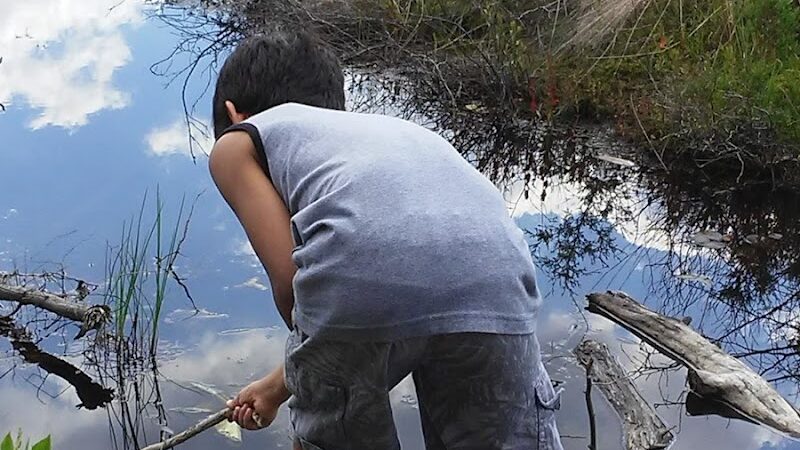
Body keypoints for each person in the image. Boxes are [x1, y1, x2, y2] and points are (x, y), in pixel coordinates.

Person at [209, 29, 564, 450]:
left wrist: (313, 373)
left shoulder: (237, 142)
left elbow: (294, 289)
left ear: (234, 113)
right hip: (499, 279)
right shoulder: (393, 131)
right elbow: (423, 263)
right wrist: (275, 387)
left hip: (358, 276)